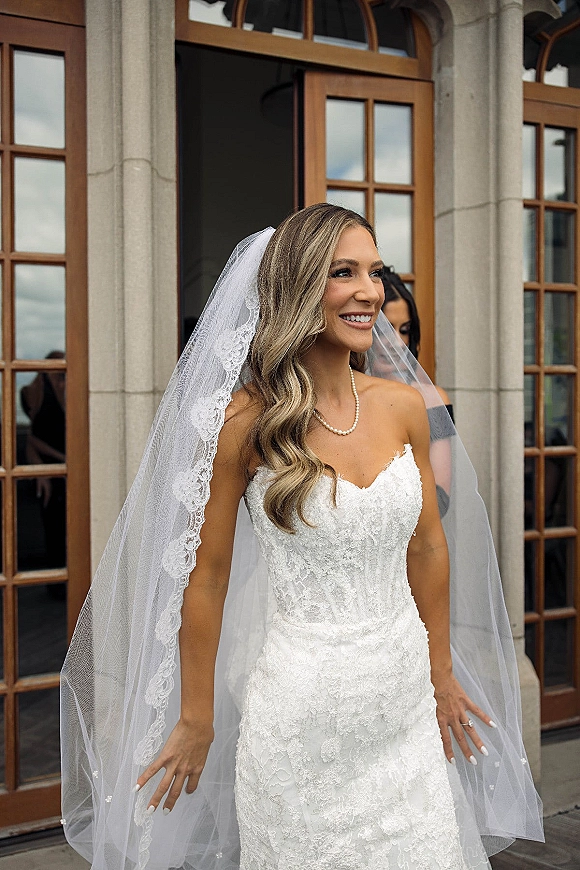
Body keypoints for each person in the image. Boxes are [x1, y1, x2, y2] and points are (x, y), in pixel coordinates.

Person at [61, 204, 543, 870]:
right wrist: (196, 715)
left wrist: (442, 677)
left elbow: (428, 548)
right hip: (300, 719)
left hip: (403, 707)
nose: (369, 291)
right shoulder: (243, 422)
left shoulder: (404, 407)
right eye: (344, 272)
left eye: (375, 272)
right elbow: (205, 577)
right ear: (299, 284)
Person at [382, 268, 454, 517]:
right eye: (385, 329)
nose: (397, 343)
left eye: (404, 330)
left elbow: (441, 500)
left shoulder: (432, 400)